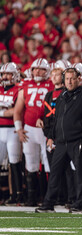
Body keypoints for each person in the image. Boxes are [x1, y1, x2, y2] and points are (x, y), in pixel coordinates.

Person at [35, 67, 82, 213]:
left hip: (79, 140)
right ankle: (48, 203)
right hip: (61, 142)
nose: (69, 82)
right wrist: (51, 136)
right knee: (55, 172)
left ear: (79, 79)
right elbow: (56, 119)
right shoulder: (62, 96)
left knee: (80, 172)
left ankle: (80, 203)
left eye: (72, 78)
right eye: (67, 79)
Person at [13, 58, 54, 206]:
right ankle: (32, 197)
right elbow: (18, 110)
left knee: (48, 164)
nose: (37, 71)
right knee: (31, 163)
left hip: (45, 130)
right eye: (35, 69)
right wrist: (18, 129)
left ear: (47, 71)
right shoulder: (25, 86)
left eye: (41, 69)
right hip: (29, 129)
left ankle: (48, 197)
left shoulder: (51, 85)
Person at [0, 63, 23, 205]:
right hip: (0, 130)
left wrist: (3, 112)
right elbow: (10, 110)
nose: (5, 76)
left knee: (15, 163)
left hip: (12, 129)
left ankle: (17, 194)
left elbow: (16, 111)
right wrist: (5, 112)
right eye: (3, 74)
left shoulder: (18, 90)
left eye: (8, 73)